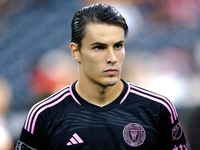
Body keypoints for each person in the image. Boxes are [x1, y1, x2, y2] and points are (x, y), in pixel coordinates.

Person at [15, 3, 189, 150]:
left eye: (118, 46)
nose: (112, 58)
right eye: (99, 47)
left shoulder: (158, 109)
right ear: (76, 52)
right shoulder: (44, 115)